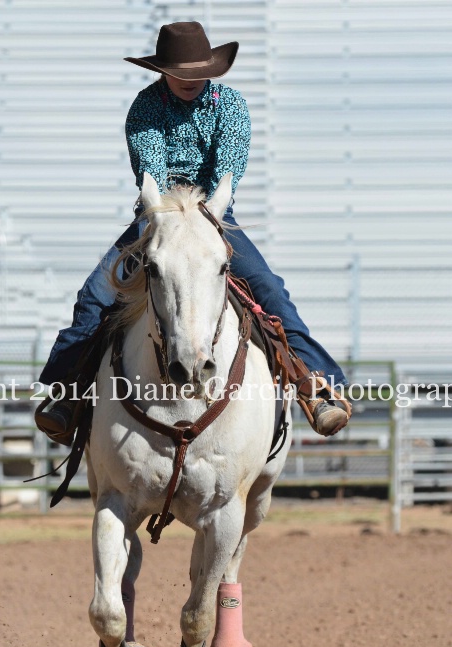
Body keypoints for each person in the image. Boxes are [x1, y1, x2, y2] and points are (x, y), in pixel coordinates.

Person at [36, 21, 350, 443]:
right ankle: (67, 394)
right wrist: (164, 210)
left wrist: (210, 209)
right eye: (180, 72)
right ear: (162, 70)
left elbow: (226, 174)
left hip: (214, 216)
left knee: (270, 292)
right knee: (95, 294)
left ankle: (317, 389)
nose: (190, 80)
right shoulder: (145, 107)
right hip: (159, 215)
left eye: (198, 71)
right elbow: (151, 172)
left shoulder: (231, 106)